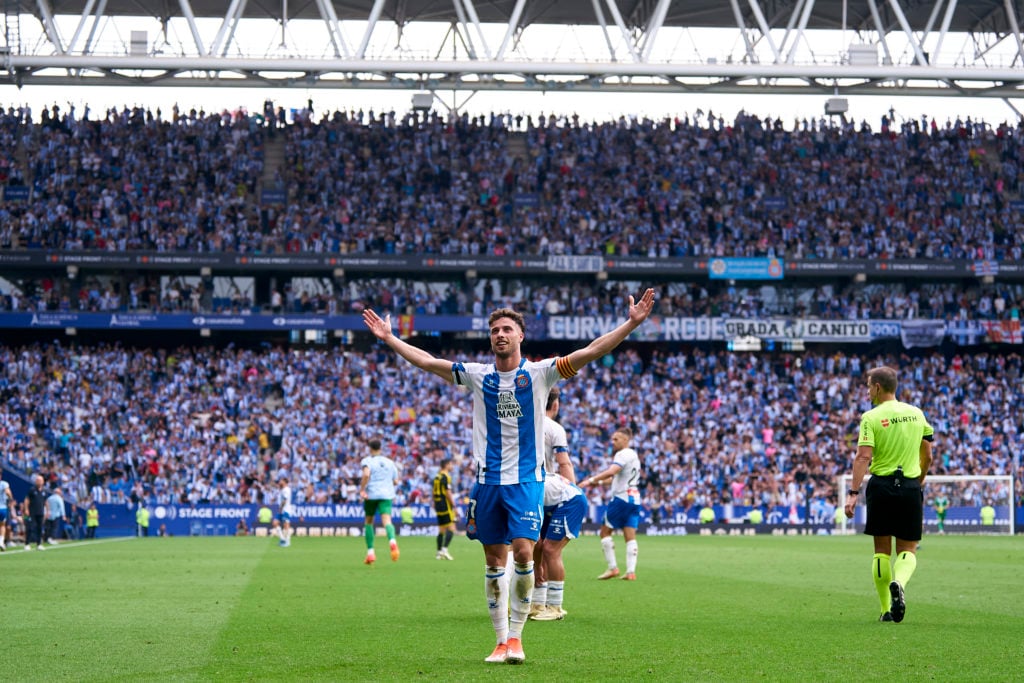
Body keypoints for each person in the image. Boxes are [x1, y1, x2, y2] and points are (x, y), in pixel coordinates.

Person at [363, 288, 655, 665]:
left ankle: (516, 639)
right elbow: (429, 361)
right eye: (494, 330)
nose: (499, 334)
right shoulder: (476, 376)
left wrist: (629, 325)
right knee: (492, 561)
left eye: (506, 329)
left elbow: (590, 351)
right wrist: (391, 339)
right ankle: (500, 641)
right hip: (487, 483)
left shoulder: (540, 373)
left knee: (523, 551)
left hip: (526, 482)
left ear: (520, 336)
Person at [844, 366, 934, 624]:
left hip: (881, 486)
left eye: (868, 385)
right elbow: (928, 455)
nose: (867, 390)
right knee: (908, 548)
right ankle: (900, 581)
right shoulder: (917, 414)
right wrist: (920, 478)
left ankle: (885, 609)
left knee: (881, 551)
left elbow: (863, 456)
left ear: (878, 387)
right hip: (909, 485)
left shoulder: (871, 417)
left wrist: (853, 493)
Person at [530, 388, 586, 622]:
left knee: (548, 549)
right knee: (537, 548)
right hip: (546, 488)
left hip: (554, 493)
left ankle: (554, 606)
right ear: (555, 405)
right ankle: (537, 602)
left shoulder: (523, 423)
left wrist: (569, 491)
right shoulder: (554, 429)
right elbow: (564, 463)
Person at [581, 427, 644, 581]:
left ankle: (612, 568)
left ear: (626, 439)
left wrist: (590, 480)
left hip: (621, 498)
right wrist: (600, 483)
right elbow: (616, 478)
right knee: (630, 535)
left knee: (604, 532)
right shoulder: (634, 455)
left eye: (616, 439)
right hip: (634, 498)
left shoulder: (622, 454)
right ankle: (630, 572)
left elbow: (612, 472)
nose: (613, 442)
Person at [359, 437, 401, 565]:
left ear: (370, 448)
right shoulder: (389, 462)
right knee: (387, 520)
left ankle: (370, 553)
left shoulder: (367, 461)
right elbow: (396, 481)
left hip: (371, 494)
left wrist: (362, 489)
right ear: (380, 448)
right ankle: (392, 542)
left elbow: (366, 474)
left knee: (369, 521)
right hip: (386, 494)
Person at [432, 458, 457, 560]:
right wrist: (454, 505)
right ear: (446, 465)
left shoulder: (437, 476)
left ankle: (438, 553)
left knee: (441, 529)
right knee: (452, 528)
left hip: (438, 505)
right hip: (445, 505)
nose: (452, 466)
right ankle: (444, 549)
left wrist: (434, 503)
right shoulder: (446, 477)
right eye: (451, 464)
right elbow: (448, 492)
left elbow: (433, 492)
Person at [23, 474, 49, 551]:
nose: (39, 482)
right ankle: (27, 544)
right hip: (32, 512)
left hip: (40, 512)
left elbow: (46, 502)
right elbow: (26, 500)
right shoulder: (32, 490)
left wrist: (48, 511)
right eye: (38, 480)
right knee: (30, 528)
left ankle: (39, 544)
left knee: (40, 528)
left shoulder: (44, 491)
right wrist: (26, 509)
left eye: (41, 480)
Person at [273, 476, 294, 547]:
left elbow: (285, 500)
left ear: (285, 482)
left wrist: (281, 507)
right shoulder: (282, 489)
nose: (279, 482)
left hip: (286, 509)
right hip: (282, 509)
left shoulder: (286, 489)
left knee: (286, 525)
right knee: (275, 522)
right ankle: (282, 539)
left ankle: (288, 540)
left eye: (281, 480)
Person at [0, 473, 11, 551]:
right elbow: (8, 492)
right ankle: (1, 541)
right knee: (2, 525)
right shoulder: (4, 483)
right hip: (2, 507)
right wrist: (10, 499)